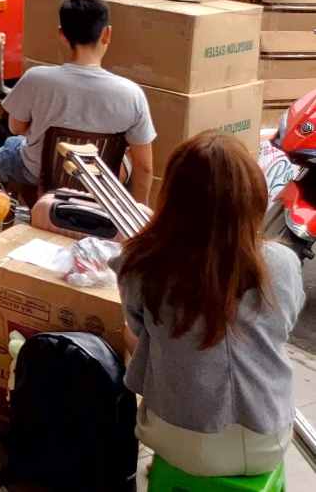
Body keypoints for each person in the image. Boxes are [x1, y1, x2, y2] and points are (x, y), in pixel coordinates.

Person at [116, 132, 304, 478]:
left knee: (130, 338)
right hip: (268, 439)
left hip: (175, 438)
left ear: (171, 196)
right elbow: (283, 327)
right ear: (254, 197)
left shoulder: (140, 263)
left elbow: (139, 332)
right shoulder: (282, 262)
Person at [0, 0, 156, 202]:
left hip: (37, 173)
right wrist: (140, 209)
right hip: (99, 181)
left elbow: (16, 128)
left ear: (62, 35)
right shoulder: (131, 94)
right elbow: (145, 167)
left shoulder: (35, 78)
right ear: (107, 34)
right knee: (128, 158)